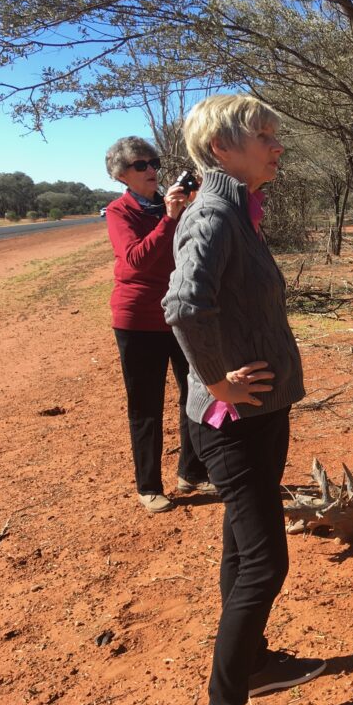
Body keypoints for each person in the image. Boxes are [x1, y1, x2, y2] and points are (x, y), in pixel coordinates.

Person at [163, 94, 325, 705]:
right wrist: (218, 381)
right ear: (220, 148)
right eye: (264, 135)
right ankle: (225, 697)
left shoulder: (240, 213)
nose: (277, 145)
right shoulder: (211, 216)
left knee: (241, 541)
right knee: (265, 564)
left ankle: (252, 662)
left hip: (261, 413)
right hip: (233, 421)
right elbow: (182, 306)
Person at [105, 136, 214, 513]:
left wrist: (194, 205)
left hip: (181, 313)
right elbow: (136, 259)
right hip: (138, 320)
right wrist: (168, 218)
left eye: (153, 162)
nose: (152, 169)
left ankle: (192, 471)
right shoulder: (120, 212)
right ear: (121, 174)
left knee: (196, 394)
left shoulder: (171, 205)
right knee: (146, 405)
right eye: (141, 165)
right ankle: (149, 485)